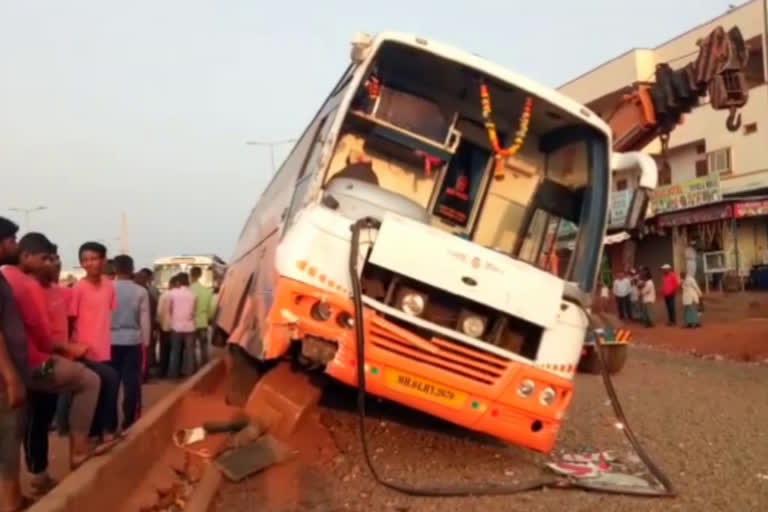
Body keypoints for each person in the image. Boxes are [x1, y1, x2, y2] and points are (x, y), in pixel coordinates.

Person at [2, 234, 101, 486]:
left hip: (22, 362)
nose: (50, 264)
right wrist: (66, 349)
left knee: (30, 421)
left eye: (53, 259)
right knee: (89, 380)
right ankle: (78, 450)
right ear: (26, 257)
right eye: (45, 258)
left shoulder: (9, 279)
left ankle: (35, 476)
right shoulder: (27, 285)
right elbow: (43, 336)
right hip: (35, 363)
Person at [69, 242, 121, 446]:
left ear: (103, 260)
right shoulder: (78, 289)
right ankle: (101, 431)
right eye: (86, 260)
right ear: (81, 264)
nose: (90, 263)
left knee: (105, 390)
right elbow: (71, 320)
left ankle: (102, 432)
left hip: (104, 348)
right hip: (85, 350)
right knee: (108, 382)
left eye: (94, 258)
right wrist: (74, 348)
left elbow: (108, 312)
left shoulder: (109, 285)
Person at [0, 218, 28, 512]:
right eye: (12, 239)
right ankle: (10, 504)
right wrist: (11, 377)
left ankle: (15, 499)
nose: (16, 245)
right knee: (8, 445)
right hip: (3, 380)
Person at [110, 255, 150, 430]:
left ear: (115, 269)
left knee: (111, 383)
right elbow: (145, 320)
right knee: (131, 383)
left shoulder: (107, 289)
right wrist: (146, 342)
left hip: (109, 341)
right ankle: (129, 420)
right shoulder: (141, 291)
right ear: (132, 269)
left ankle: (110, 422)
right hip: (133, 341)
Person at [167, 273, 196, 378]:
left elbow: (169, 309)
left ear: (178, 281)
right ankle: (191, 374)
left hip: (176, 326)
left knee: (175, 351)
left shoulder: (173, 293)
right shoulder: (193, 294)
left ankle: (173, 375)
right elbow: (194, 312)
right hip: (190, 326)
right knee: (190, 352)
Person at [189, 267, 214, 370]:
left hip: (191, 324)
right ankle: (205, 368)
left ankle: (193, 368)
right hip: (203, 323)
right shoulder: (207, 291)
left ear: (190, 275)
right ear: (200, 275)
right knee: (204, 347)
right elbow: (210, 309)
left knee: (191, 348)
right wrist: (208, 319)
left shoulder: (188, 290)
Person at [155, 276, 178, 378]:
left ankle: (162, 372)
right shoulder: (177, 295)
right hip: (176, 327)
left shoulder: (164, 295)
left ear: (170, 284)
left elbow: (159, 312)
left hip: (164, 326)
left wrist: (159, 323)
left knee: (164, 350)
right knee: (175, 349)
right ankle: (173, 371)